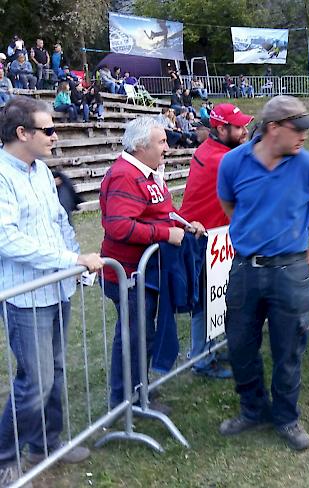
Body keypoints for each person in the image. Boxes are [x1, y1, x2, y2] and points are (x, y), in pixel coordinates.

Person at [217, 96, 309, 451]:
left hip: (290, 270)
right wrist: (252, 233)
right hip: (244, 269)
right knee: (240, 345)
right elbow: (230, 205)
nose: (304, 136)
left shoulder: (307, 165)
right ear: (273, 128)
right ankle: (252, 409)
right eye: (298, 129)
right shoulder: (232, 163)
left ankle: (286, 417)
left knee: (289, 348)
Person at [0, 96, 104, 485]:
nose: (56, 136)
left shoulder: (41, 171)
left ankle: (46, 443)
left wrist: (74, 259)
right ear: (22, 132)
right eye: (48, 130)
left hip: (55, 290)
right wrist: (66, 259)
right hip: (24, 295)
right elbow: (6, 239)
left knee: (56, 372)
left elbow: (60, 219)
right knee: (35, 381)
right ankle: (4, 455)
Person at [100, 117, 205, 412]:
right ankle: (126, 402)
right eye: (161, 142)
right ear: (140, 145)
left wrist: (185, 225)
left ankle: (138, 392)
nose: (168, 148)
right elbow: (119, 226)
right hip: (128, 274)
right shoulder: (124, 175)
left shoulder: (148, 173)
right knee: (134, 336)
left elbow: (164, 212)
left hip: (145, 272)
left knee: (143, 335)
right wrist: (165, 234)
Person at [180, 103, 255, 379]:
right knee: (203, 303)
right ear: (221, 128)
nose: (245, 130)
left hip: (214, 237)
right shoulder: (221, 159)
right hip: (202, 238)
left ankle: (209, 348)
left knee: (216, 297)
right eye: (239, 127)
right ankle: (201, 358)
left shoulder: (217, 151)